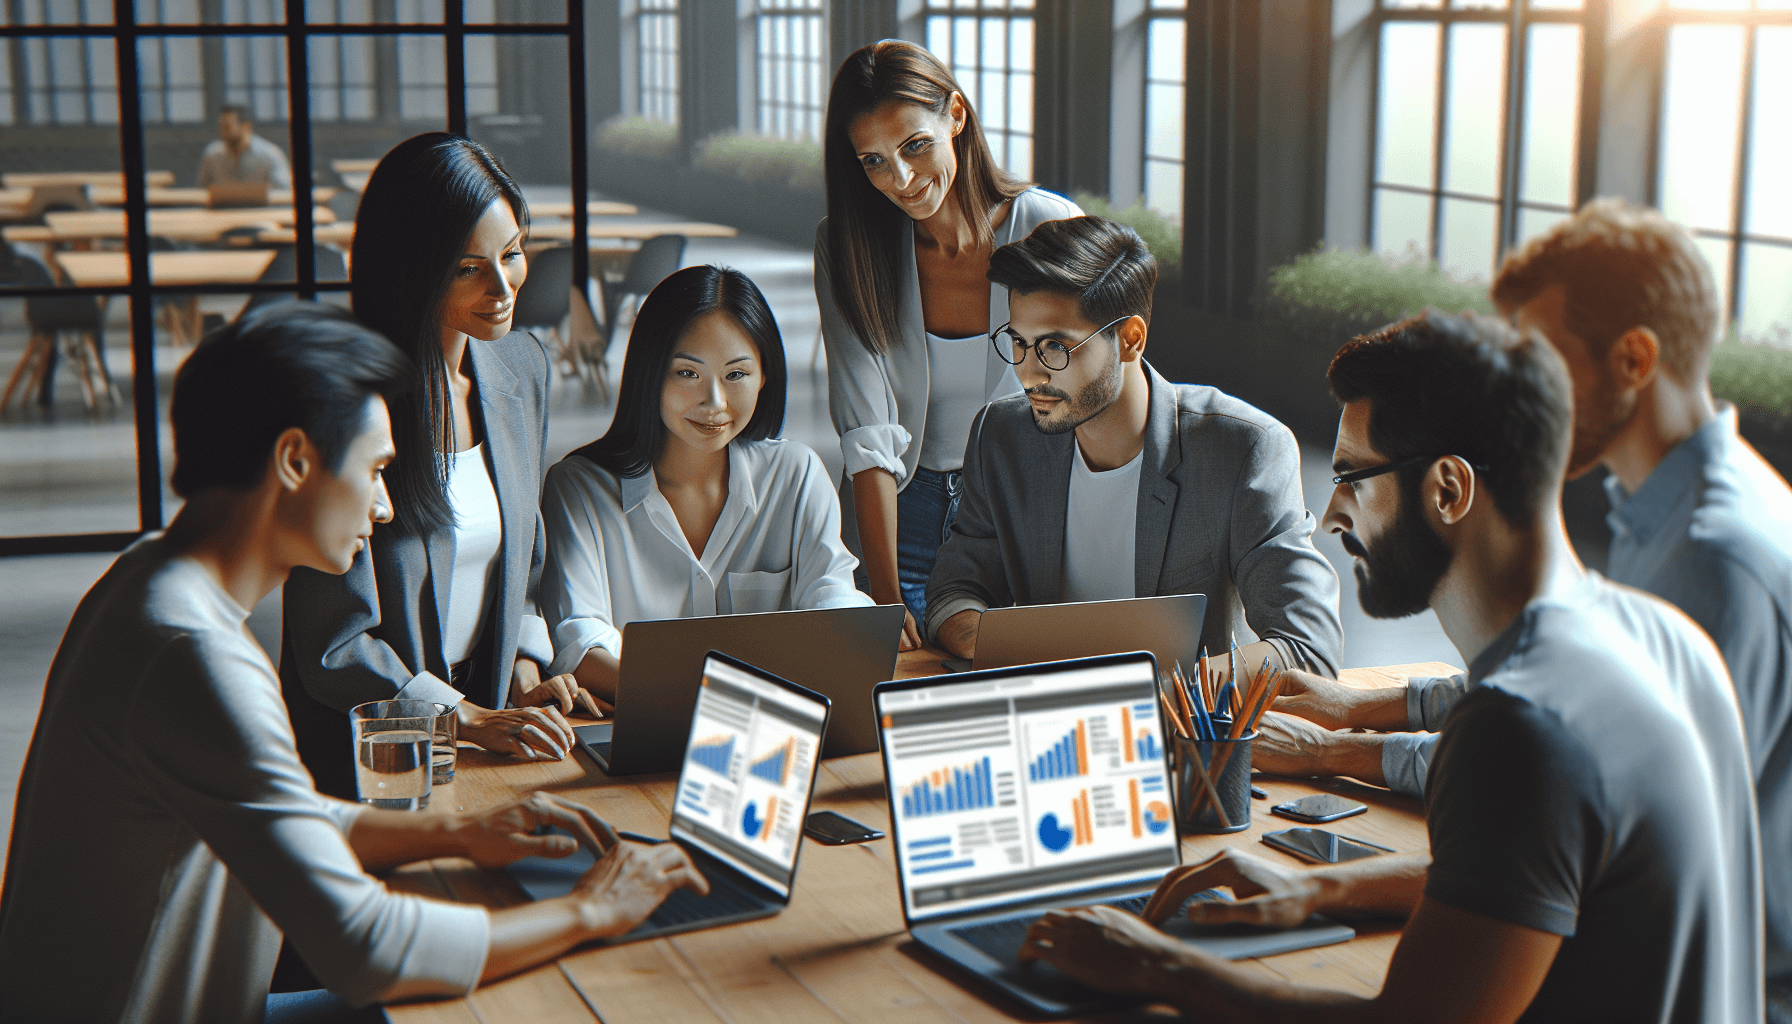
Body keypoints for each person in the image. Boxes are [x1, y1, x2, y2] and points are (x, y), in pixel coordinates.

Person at [1018, 310, 1763, 1023]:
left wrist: (1156, 966)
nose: (1334, 513)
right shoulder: (1669, 638)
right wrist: (1321, 889)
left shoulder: (1515, 726)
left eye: (1353, 478)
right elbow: (1533, 875)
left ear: (1448, 488)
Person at [0, 304, 706, 1023]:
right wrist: (593, 910)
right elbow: (370, 949)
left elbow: (283, 815)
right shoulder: (197, 657)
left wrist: (457, 832)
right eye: (375, 470)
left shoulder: (147, 581)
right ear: (296, 460)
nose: (385, 505)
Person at [1255, 199, 1792, 1019]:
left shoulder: (1714, 560)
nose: (1515, 374)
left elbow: (1549, 776)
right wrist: (1325, 868)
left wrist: (1158, 969)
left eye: (1536, 352)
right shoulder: (1658, 610)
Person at [281, 134, 581, 802]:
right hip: (376, 756)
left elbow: (524, 559)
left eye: (513, 254)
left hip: (495, 732)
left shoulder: (520, 367)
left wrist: (527, 663)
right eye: (467, 268)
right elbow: (335, 646)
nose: (503, 288)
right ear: (411, 268)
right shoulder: (347, 404)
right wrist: (468, 720)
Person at [925, 215, 1343, 679]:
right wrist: (1011, 651)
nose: (1029, 374)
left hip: (1183, 733)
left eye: (1055, 348)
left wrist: (1152, 691)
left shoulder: (1243, 450)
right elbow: (953, 591)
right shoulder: (1001, 436)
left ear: (1130, 340)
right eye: (1019, 343)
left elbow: (1308, 648)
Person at [817, 39, 1082, 649]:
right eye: (874, 161)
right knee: (904, 696)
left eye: (915, 146)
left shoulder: (1050, 228)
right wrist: (883, 596)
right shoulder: (848, 247)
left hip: (1022, 511)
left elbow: (1094, 394)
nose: (902, 179)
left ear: (955, 117)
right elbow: (867, 433)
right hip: (900, 516)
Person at [539, 265, 871, 702]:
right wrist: (706, 699)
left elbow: (832, 596)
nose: (714, 402)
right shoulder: (579, 490)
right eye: (687, 373)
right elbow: (579, 639)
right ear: (650, 372)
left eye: (736, 375)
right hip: (642, 728)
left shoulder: (796, 474)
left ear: (765, 376)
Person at [198, 104, 294, 190]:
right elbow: (202, 190)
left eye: (227, 127)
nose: (222, 132)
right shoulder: (212, 154)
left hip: (260, 209)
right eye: (221, 126)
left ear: (245, 127)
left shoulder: (270, 154)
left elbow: (285, 190)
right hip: (223, 208)